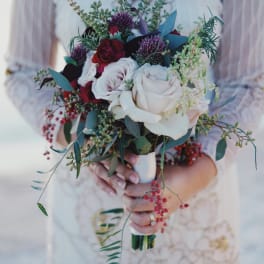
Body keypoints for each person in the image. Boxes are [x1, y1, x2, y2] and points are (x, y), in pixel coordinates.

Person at [5, 0, 264, 263]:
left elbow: (244, 86)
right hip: (89, 198)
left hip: (194, 193)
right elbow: (23, 71)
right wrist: (85, 144)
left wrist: (190, 178)